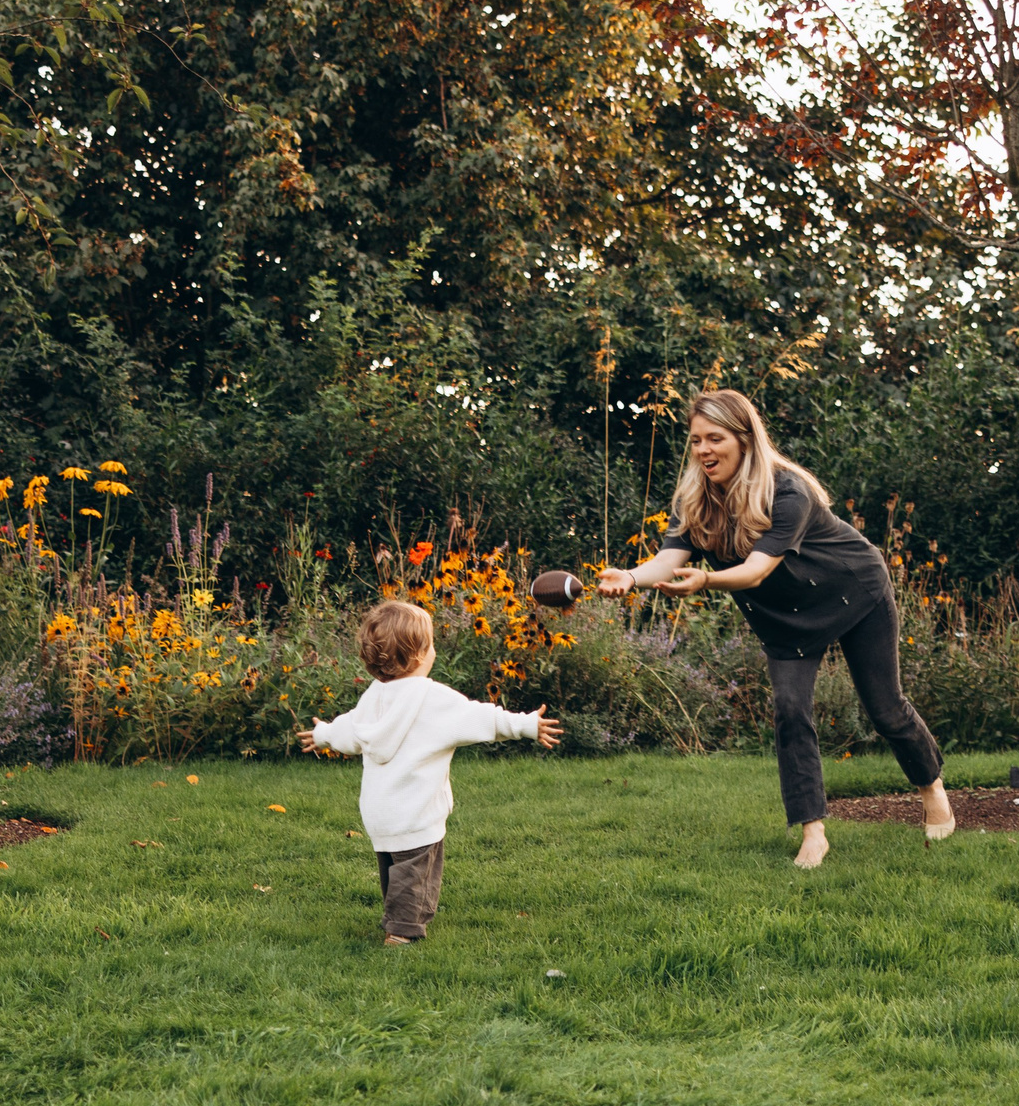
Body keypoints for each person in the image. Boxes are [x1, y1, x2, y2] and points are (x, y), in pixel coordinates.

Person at [596, 388, 955, 867]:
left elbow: (757, 570)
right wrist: (633, 578)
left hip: (853, 592)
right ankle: (813, 831)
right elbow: (668, 559)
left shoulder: (788, 490)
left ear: (744, 438)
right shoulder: (696, 499)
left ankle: (931, 786)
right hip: (785, 617)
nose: (703, 450)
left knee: (885, 708)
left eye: (715, 438)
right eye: (696, 440)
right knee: (790, 711)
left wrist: (705, 580)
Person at [298, 600, 564, 945]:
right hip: (416, 810)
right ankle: (402, 931)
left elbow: (350, 732)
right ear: (421, 654)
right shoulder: (433, 698)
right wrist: (526, 725)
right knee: (416, 871)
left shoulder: (373, 697)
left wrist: (322, 734)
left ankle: (396, 914)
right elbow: (482, 718)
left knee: (395, 866)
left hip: (379, 812)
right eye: (432, 643)